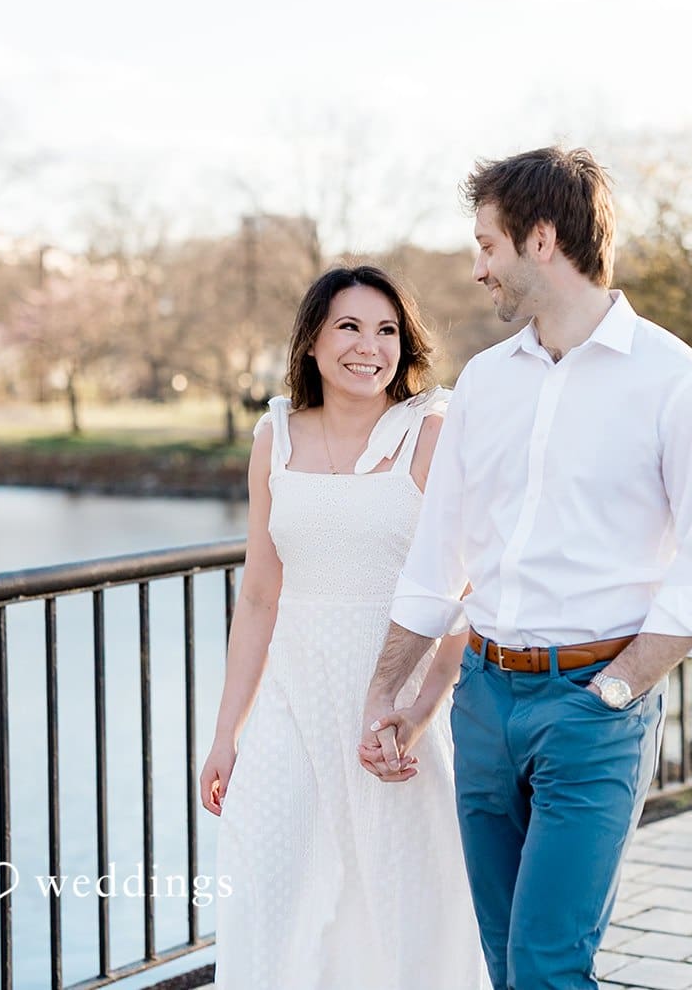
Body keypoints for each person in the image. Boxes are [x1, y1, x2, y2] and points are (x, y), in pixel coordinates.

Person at [359, 147, 692, 990]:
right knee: (504, 962)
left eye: (486, 245)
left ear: (541, 240)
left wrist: (616, 689)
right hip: (485, 704)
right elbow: (438, 559)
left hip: (592, 712)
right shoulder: (487, 384)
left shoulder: (678, 383)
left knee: (547, 966)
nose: (477, 269)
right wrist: (385, 693)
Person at [197, 265, 486, 989]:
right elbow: (260, 595)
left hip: (394, 719)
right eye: (349, 327)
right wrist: (226, 732)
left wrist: (420, 711)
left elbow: (468, 590)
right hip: (292, 710)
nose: (370, 346)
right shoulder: (276, 436)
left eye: (386, 329)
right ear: (314, 343)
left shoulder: (431, 433)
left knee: (405, 907)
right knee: (269, 888)